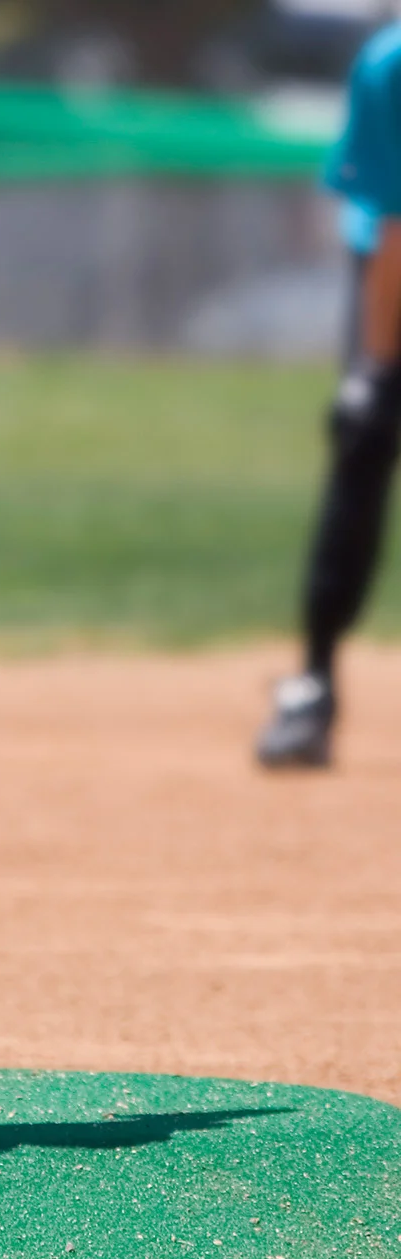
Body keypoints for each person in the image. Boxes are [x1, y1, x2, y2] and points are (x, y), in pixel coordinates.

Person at [257, 15, 401, 768]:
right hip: (393, 279)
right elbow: (395, 224)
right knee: (364, 440)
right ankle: (315, 682)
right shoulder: (392, 65)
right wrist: (376, 372)